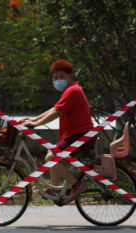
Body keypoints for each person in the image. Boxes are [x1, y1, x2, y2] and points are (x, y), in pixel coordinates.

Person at [21, 59, 96, 200]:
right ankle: (53, 189)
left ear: (70, 76)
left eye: (62, 76)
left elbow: (56, 112)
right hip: (75, 136)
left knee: (51, 158)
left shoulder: (73, 91)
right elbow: (54, 108)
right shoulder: (70, 90)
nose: (58, 80)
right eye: (55, 78)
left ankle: (76, 185)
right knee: (51, 152)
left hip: (81, 136)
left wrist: (36, 124)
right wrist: (34, 119)